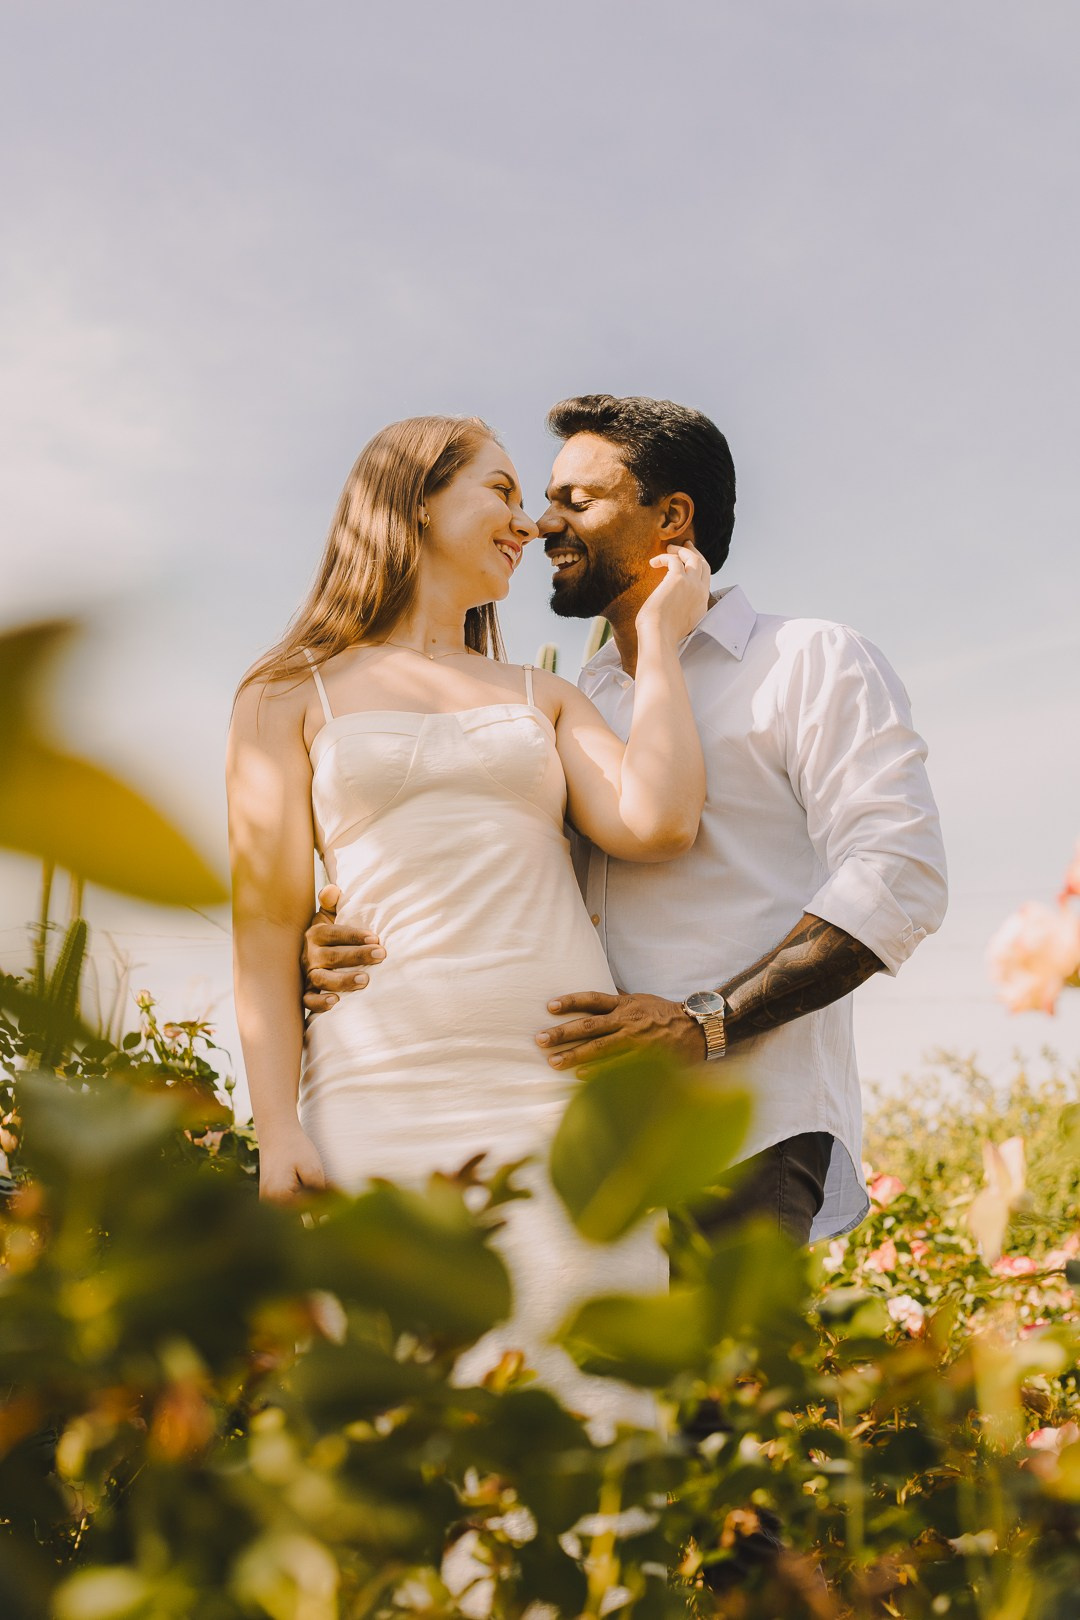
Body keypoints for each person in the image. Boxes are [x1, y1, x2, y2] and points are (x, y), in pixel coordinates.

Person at [303, 395, 948, 1249]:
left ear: (671, 518)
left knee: (735, 1384)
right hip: (572, 1135)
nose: (541, 524)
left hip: (739, 1130)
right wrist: (330, 935)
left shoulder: (810, 661)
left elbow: (898, 876)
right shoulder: (574, 700)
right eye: (543, 499)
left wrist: (703, 1024)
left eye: (578, 501)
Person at [226, 414, 711, 1435]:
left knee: (596, 1423)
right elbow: (267, 927)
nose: (528, 521)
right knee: (405, 1423)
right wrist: (278, 1130)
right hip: (379, 1100)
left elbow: (656, 822)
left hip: (559, 1098)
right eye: (498, 491)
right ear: (412, 500)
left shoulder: (541, 694)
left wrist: (661, 645)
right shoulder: (285, 694)